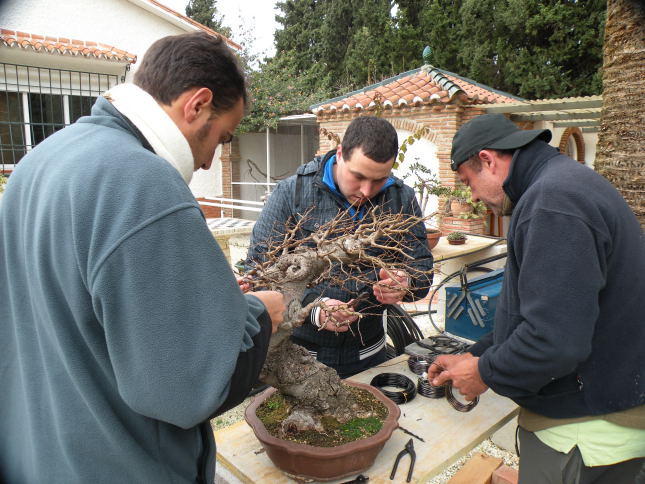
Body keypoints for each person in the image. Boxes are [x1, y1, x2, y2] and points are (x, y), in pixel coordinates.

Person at [0, 32, 286, 484]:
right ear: (197, 104)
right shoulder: (143, 182)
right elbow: (185, 391)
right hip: (123, 463)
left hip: (43, 451)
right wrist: (259, 314)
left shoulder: (39, 161)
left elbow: (81, 309)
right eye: (223, 136)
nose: (212, 161)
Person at [429, 114, 645, 483]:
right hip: (602, 410)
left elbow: (554, 341)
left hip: (585, 428)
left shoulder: (552, 203)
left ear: (488, 160)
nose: (475, 197)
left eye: (470, 183)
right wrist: (477, 353)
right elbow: (541, 313)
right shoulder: (564, 183)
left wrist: (483, 372)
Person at [246, 116, 433, 378]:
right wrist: (313, 311)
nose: (366, 190)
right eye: (358, 176)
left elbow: (422, 269)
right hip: (301, 356)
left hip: (370, 355)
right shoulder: (293, 193)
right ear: (340, 154)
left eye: (379, 180)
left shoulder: (401, 198)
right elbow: (259, 274)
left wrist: (406, 283)